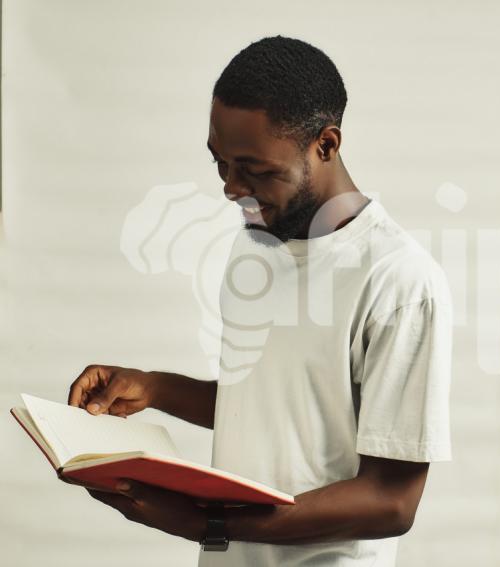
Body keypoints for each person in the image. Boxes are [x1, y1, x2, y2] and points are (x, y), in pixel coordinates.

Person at [65, 35, 453, 567]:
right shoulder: (255, 241)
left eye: (254, 169)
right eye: (220, 162)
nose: (230, 187)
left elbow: (393, 499)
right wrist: (154, 387)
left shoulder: (399, 282)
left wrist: (208, 523)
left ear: (327, 145)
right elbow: (274, 405)